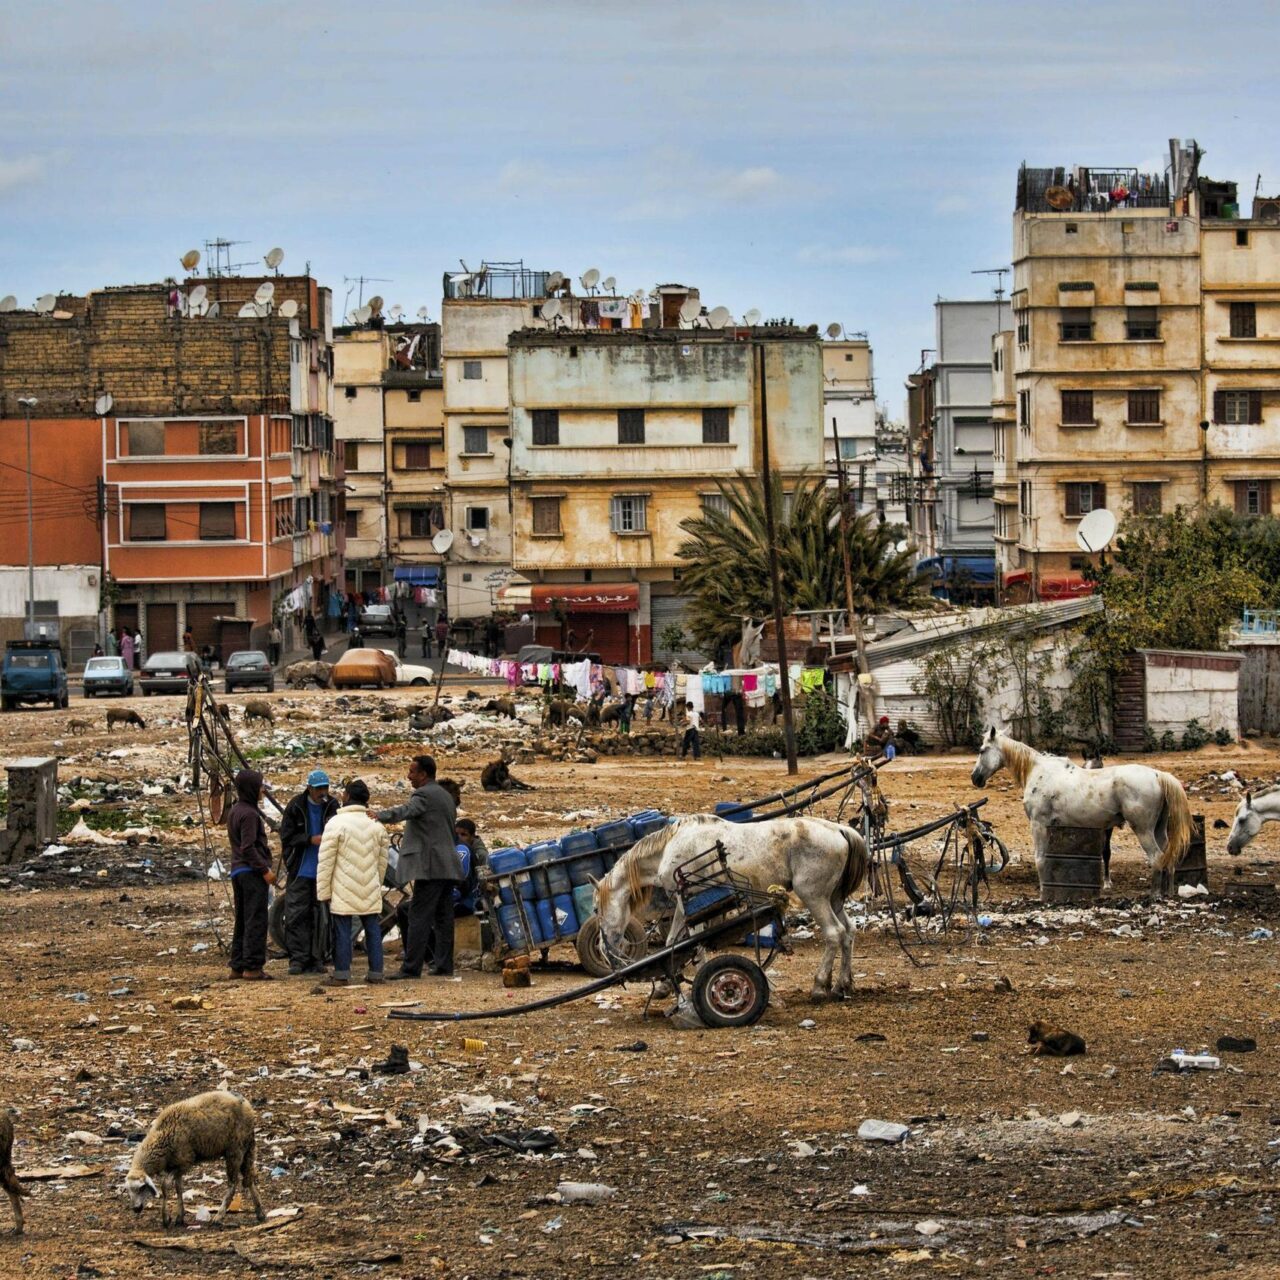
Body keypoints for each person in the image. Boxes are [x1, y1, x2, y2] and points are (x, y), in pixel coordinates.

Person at [375, 754, 460, 979]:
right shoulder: (445, 795)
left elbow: (405, 811)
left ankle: (411, 967)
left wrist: (378, 816)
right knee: (443, 918)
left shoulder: (423, 795)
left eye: (412, 772)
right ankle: (443, 965)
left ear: (423, 774)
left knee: (418, 916)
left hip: (431, 867)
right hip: (447, 865)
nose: (408, 776)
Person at [317, 780, 390, 987]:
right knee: (373, 929)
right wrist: (377, 882)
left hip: (343, 886)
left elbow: (326, 862)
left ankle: (341, 974)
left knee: (343, 931)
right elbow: (382, 862)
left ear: (346, 797)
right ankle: (376, 973)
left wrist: (323, 891)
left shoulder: (335, 824)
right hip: (370, 884)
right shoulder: (377, 825)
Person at [280, 769, 339, 976]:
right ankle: (298, 959)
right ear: (309, 788)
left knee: (320, 917)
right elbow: (287, 836)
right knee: (296, 915)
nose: (322, 792)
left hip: (323, 871)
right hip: (300, 870)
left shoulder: (332, 806)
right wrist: (309, 840)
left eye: (325, 788)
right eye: (319, 788)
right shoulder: (296, 806)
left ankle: (316, 958)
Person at [227, 769, 276, 981]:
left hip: (238, 871)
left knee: (242, 920)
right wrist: (265, 870)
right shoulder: (249, 814)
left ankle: (237, 965)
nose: (262, 791)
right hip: (251, 873)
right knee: (256, 920)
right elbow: (248, 847)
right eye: (259, 786)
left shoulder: (235, 811)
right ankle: (252, 967)